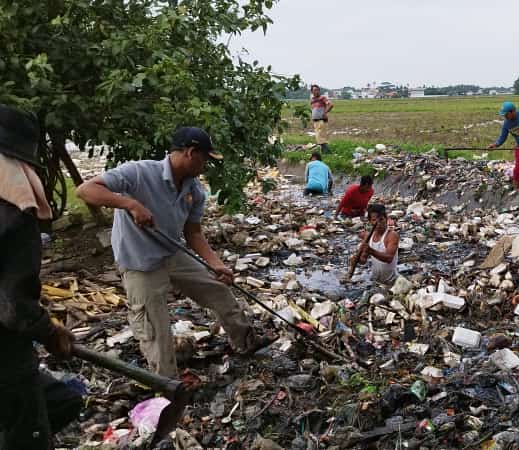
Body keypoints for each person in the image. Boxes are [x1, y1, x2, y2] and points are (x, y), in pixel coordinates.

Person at [76, 127, 266, 377]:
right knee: (156, 328)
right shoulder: (139, 172)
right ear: (190, 153)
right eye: (205, 158)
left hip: (172, 253)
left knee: (218, 289)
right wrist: (130, 204)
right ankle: (168, 386)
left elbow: (194, 233)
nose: (206, 164)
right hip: (140, 262)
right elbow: (85, 190)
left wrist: (216, 264)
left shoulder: (194, 190)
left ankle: (246, 342)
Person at [0, 104, 84, 449]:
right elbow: (14, 306)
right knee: (28, 435)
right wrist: (50, 332)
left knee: (61, 400)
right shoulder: (13, 214)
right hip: (5, 362)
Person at [350, 204, 399, 285]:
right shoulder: (368, 236)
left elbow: (389, 258)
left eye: (381, 219)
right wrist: (356, 260)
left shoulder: (392, 235)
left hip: (392, 281)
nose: (378, 223)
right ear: (370, 221)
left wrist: (371, 251)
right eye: (374, 220)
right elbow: (363, 260)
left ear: (386, 219)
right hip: (375, 280)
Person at [310, 84, 333, 154]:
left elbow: (331, 105)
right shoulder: (312, 100)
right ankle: (324, 152)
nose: (316, 91)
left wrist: (325, 113)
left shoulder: (322, 98)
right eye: (314, 90)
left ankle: (328, 152)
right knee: (319, 138)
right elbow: (313, 109)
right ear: (312, 92)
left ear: (319, 91)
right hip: (315, 121)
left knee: (320, 137)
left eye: (317, 90)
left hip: (321, 120)